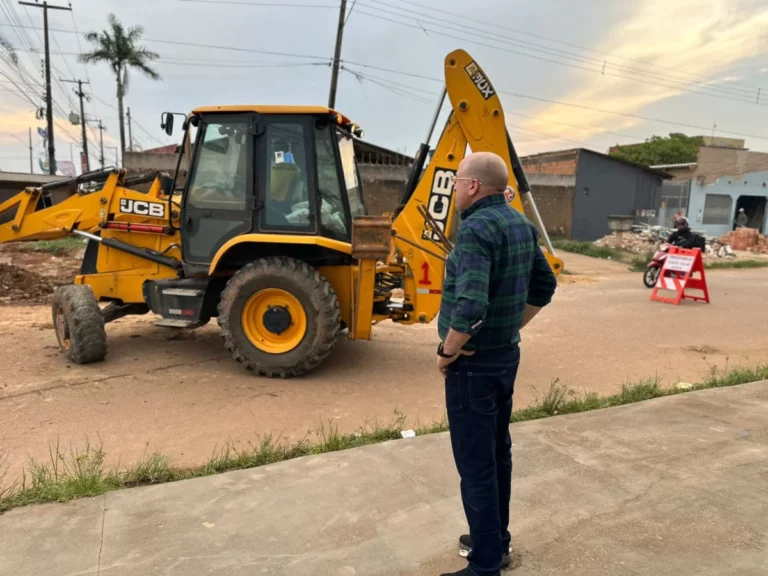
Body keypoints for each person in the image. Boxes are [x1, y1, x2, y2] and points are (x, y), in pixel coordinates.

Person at [437, 152, 557, 576]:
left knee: (476, 465)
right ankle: (495, 538)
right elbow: (546, 284)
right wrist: (508, 326)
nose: (453, 190)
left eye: (455, 183)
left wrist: (448, 350)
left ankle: (485, 563)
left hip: (473, 368)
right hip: (506, 357)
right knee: (497, 454)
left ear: (472, 186)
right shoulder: (519, 223)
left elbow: (470, 305)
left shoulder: (475, 230)